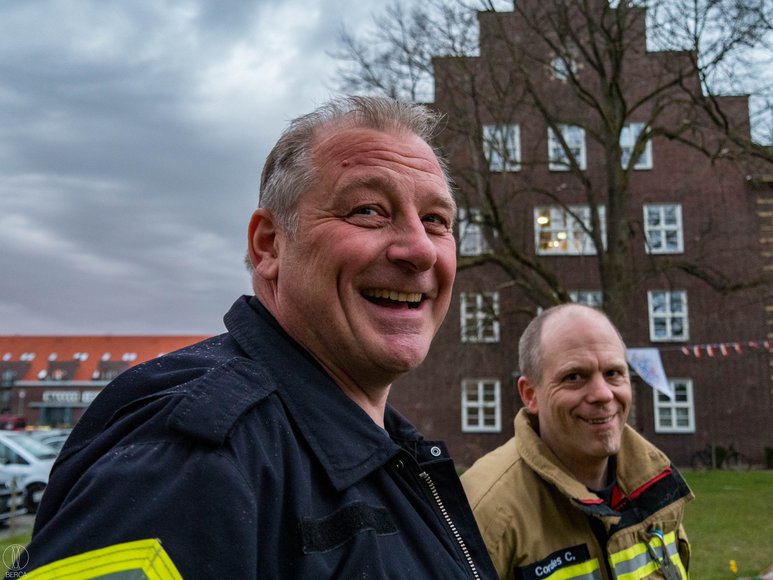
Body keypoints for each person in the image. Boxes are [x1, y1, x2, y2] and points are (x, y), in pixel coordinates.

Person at [16, 96, 497, 579]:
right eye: (369, 210)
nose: (420, 250)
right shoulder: (194, 459)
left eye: (436, 220)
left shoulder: (380, 446)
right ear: (269, 245)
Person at [461, 304, 693, 580]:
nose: (603, 394)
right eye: (574, 377)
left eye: (613, 373)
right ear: (530, 394)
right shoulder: (484, 512)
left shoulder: (653, 481)